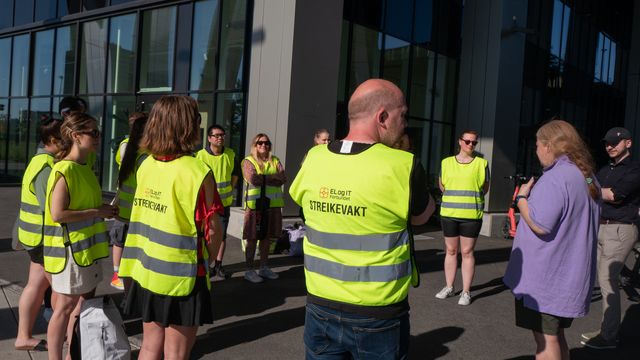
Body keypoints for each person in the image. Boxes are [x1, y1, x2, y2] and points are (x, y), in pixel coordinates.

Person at [289, 78, 435, 359]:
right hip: (378, 315)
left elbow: (305, 207)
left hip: (319, 307)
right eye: (402, 115)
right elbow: (422, 217)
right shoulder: (403, 165)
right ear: (382, 116)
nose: (405, 123)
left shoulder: (313, 158)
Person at [119, 95, 224, 359]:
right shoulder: (197, 171)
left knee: (149, 346)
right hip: (183, 275)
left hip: (147, 270)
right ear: (188, 125)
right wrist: (210, 260)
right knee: (176, 354)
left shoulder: (146, 165)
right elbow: (213, 230)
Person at [503, 120, 600, 360]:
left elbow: (540, 224)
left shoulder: (555, 178)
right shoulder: (587, 177)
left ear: (548, 146)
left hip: (547, 279)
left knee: (546, 342)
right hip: (567, 277)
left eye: (537, 144)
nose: (536, 150)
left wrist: (522, 198)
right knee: (556, 337)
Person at [43, 112, 116, 360]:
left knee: (81, 306)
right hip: (70, 253)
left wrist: (103, 212)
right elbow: (57, 213)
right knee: (63, 308)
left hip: (86, 252)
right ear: (75, 136)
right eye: (92, 132)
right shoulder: (65, 169)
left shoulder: (85, 167)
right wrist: (98, 210)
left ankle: (72, 355)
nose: (98, 137)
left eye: (98, 132)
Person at [581, 127, 640, 349]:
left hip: (621, 229)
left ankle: (608, 337)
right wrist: (589, 179)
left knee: (607, 279)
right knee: (605, 280)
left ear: (628, 143)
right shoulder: (606, 169)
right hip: (602, 227)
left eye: (615, 142)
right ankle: (607, 329)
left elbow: (612, 196)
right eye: (607, 143)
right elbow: (592, 191)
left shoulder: (634, 169)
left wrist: (588, 179)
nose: (610, 146)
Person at [14, 117, 62, 352]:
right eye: (65, 139)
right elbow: (52, 208)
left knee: (36, 284)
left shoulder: (39, 161)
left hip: (34, 237)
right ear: (52, 140)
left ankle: (24, 337)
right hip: (44, 239)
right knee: (60, 292)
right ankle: (59, 335)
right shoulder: (46, 166)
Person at [435, 129, 489, 305]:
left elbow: (485, 188)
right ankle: (449, 287)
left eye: (474, 142)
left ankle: (466, 292)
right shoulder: (446, 162)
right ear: (460, 142)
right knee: (450, 251)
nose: (471, 145)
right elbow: (442, 186)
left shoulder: (482, 164)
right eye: (468, 141)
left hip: (471, 216)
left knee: (466, 252)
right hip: (449, 214)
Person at [110, 112, 148, 291]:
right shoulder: (145, 154)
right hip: (136, 210)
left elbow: (119, 162)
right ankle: (121, 277)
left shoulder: (126, 146)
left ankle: (118, 275)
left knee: (120, 243)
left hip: (124, 207)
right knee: (126, 245)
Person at [196, 124, 240, 279]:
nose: (220, 138)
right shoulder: (200, 156)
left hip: (224, 203)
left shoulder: (230, 154)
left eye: (222, 135)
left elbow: (235, 175)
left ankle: (218, 265)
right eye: (216, 135)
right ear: (209, 138)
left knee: (221, 236)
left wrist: (229, 189)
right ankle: (205, 263)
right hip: (205, 204)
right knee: (204, 234)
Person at [241, 133, 286, 283]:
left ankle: (264, 267)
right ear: (255, 145)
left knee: (267, 238)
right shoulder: (248, 161)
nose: (263, 146)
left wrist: (264, 178)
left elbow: (283, 178)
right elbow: (253, 179)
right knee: (253, 238)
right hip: (255, 207)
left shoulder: (275, 160)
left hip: (272, 206)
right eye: (260, 143)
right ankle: (249, 270)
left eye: (266, 143)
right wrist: (272, 178)